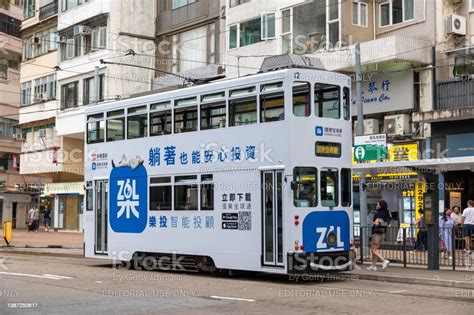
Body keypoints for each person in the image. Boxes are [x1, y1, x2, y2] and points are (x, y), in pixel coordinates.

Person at [367, 200, 391, 272]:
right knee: (375, 250)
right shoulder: (386, 213)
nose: (376, 206)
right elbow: (388, 224)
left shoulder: (378, 214)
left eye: (377, 204)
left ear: (380, 206)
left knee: (373, 250)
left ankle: (384, 261)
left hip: (376, 233)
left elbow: (377, 223)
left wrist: (373, 222)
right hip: (383, 233)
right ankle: (373, 266)